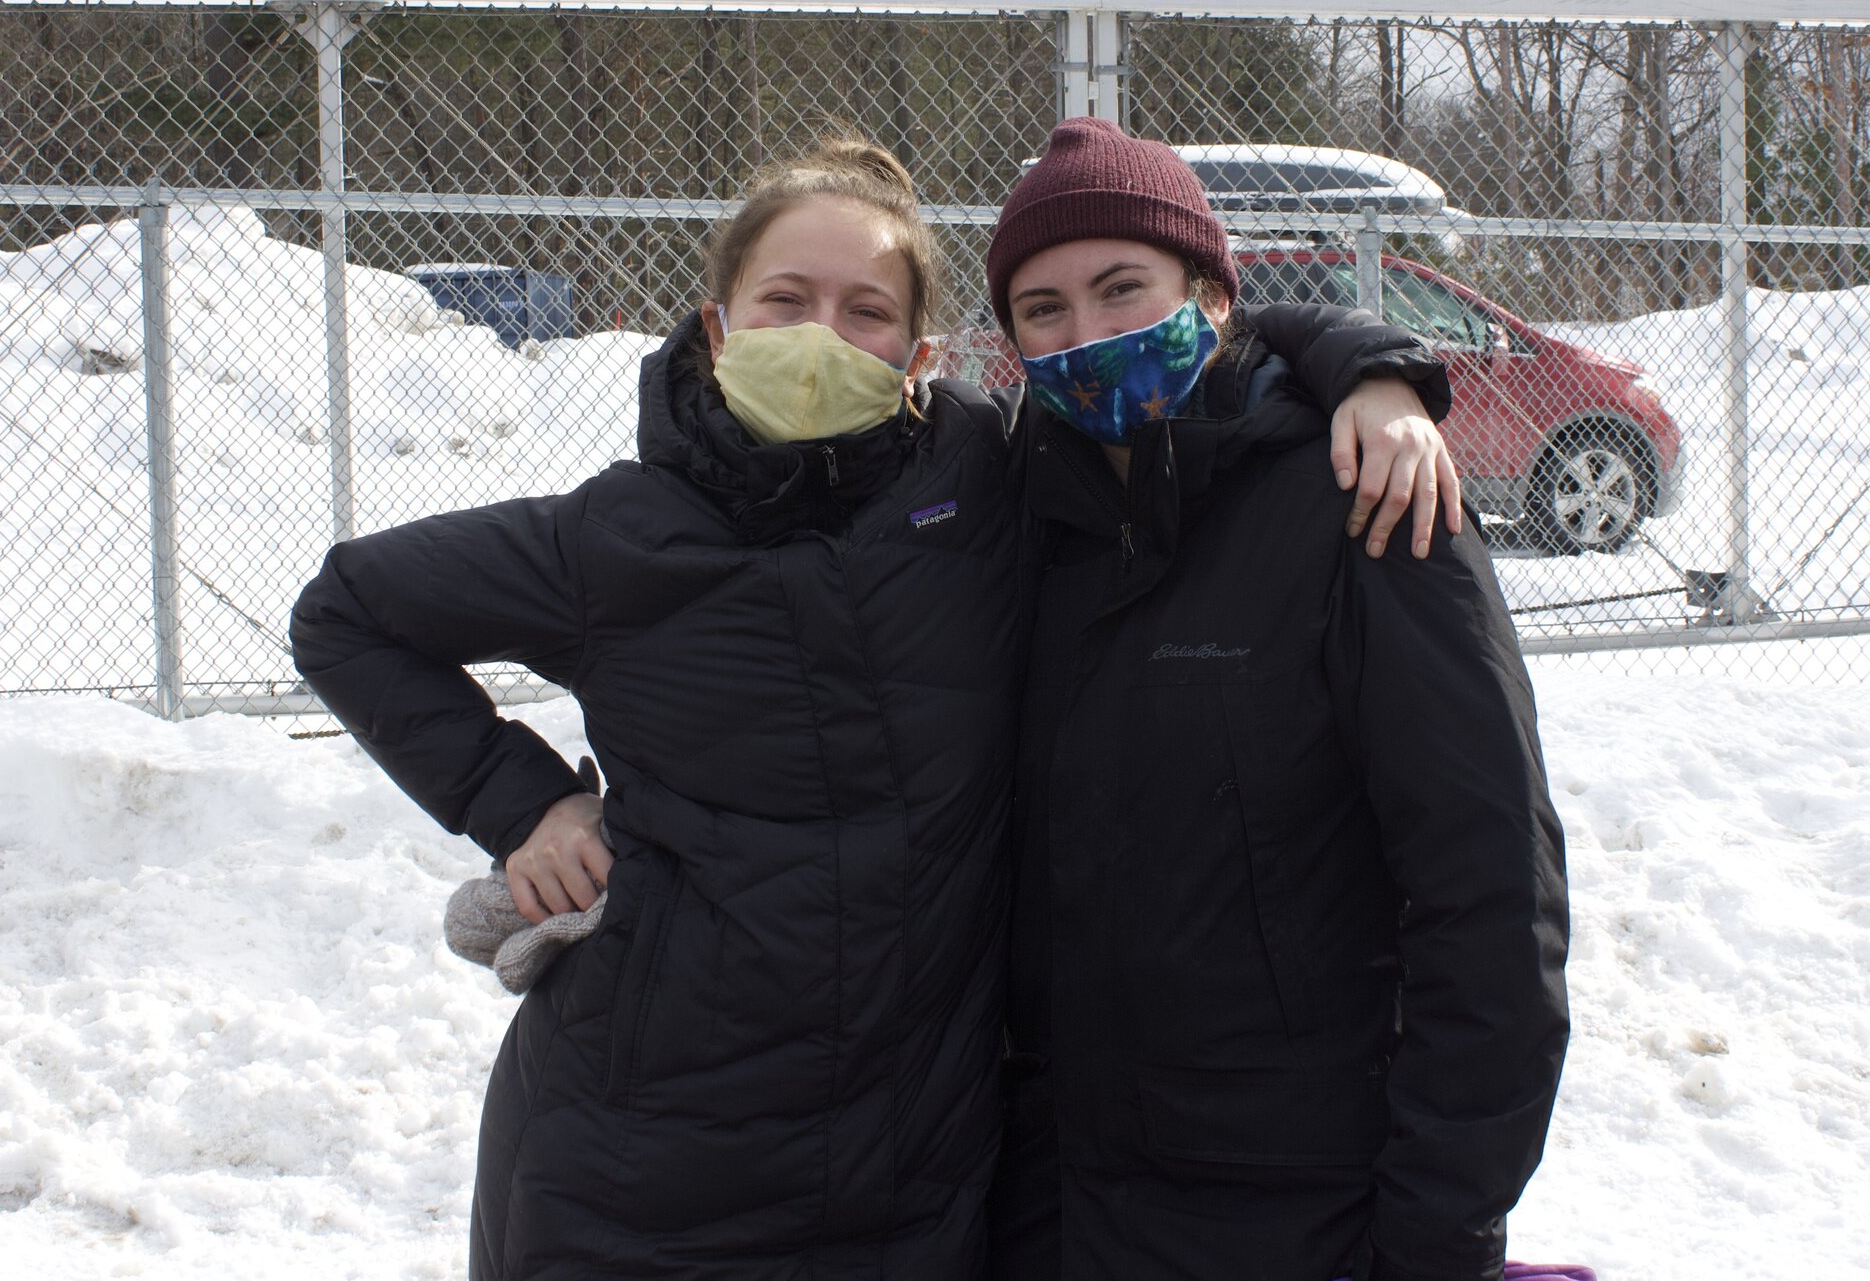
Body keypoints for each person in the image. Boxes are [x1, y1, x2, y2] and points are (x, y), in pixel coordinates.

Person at [288, 135, 1456, 1281]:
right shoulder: (611, 537)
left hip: (914, 1183)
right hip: (641, 1172)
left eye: (863, 310)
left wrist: (1376, 369)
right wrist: (525, 801)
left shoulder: (988, 483)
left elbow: (1176, 344)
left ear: (920, 351)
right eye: (782, 299)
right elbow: (346, 612)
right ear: (715, 325)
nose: (816, 337)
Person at [984, 118, 1570, 1281]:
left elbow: (1489, 899)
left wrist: (1434, 1236)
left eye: (1121, 287)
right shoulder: (1005, 524)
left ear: (1207, 292)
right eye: (1042, 308)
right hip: (1051, 1201)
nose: (1087, 334)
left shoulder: (1366, 500)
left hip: (1298, 1210)